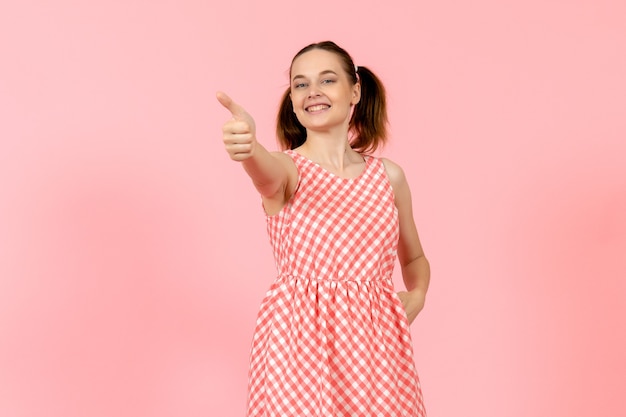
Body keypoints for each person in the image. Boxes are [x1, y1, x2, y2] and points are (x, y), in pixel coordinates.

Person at [217, 41, 429, 417]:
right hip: (300, 349)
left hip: (376, 351)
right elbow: (264, 172)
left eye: (326, 80)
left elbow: (413, 256)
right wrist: (249, 149)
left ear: (356, 90)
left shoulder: (388, 177)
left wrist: (418, 293)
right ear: (294, 102)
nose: (312, 91)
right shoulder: (288, 170)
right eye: (300, 84)